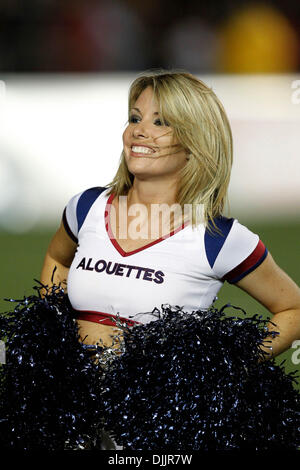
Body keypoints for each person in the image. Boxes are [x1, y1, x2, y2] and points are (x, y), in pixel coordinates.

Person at [40, 69, 300, 358]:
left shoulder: (216, 238)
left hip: (155, 406)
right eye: (135, 118)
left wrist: (229, 371)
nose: (139, 130)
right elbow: (57, 259)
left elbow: (294, 310)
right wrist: (53, 331)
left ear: (195, 141)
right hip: (70, 402)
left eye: (160, 122)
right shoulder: (87, 207)